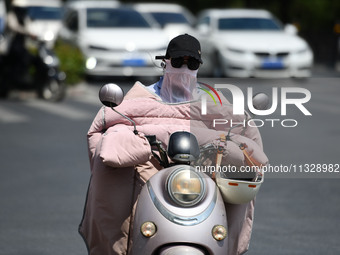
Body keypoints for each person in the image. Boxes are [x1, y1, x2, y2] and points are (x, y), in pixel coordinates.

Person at [79, 34, 268, 255]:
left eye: (192, 63)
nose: (184, 69)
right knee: (112, 173)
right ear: (165, 63)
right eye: (178, 62)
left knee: (239, 176)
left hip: (199, 175)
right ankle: (114, 248)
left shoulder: (215, 102)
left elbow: (240, 129)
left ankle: (229, 248)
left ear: (199, 67)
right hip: (148, 170)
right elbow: (106, 127)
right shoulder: (140, 97)